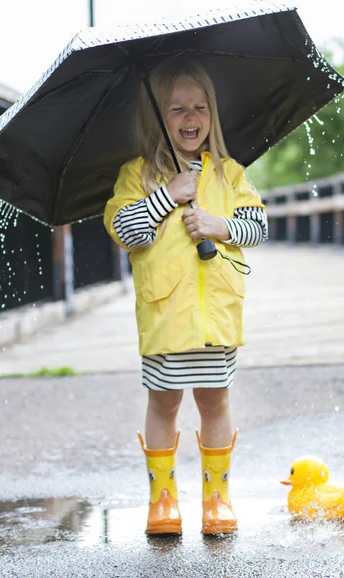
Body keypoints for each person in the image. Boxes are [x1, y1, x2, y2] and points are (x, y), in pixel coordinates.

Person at [103, 58, 268, 536]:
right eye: (176, 109)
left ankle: (217, 500)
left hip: (215, 318)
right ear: (156, 117)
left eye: (199, 107)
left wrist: (220, 225)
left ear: (211, 115)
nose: (190, 118)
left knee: (215, 403)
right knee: (164, 405)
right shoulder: (136, 175)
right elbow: (125, 230)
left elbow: (258, 226)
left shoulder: (229, 173)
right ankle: (162, 501)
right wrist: (167, 196)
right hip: (166, 318)